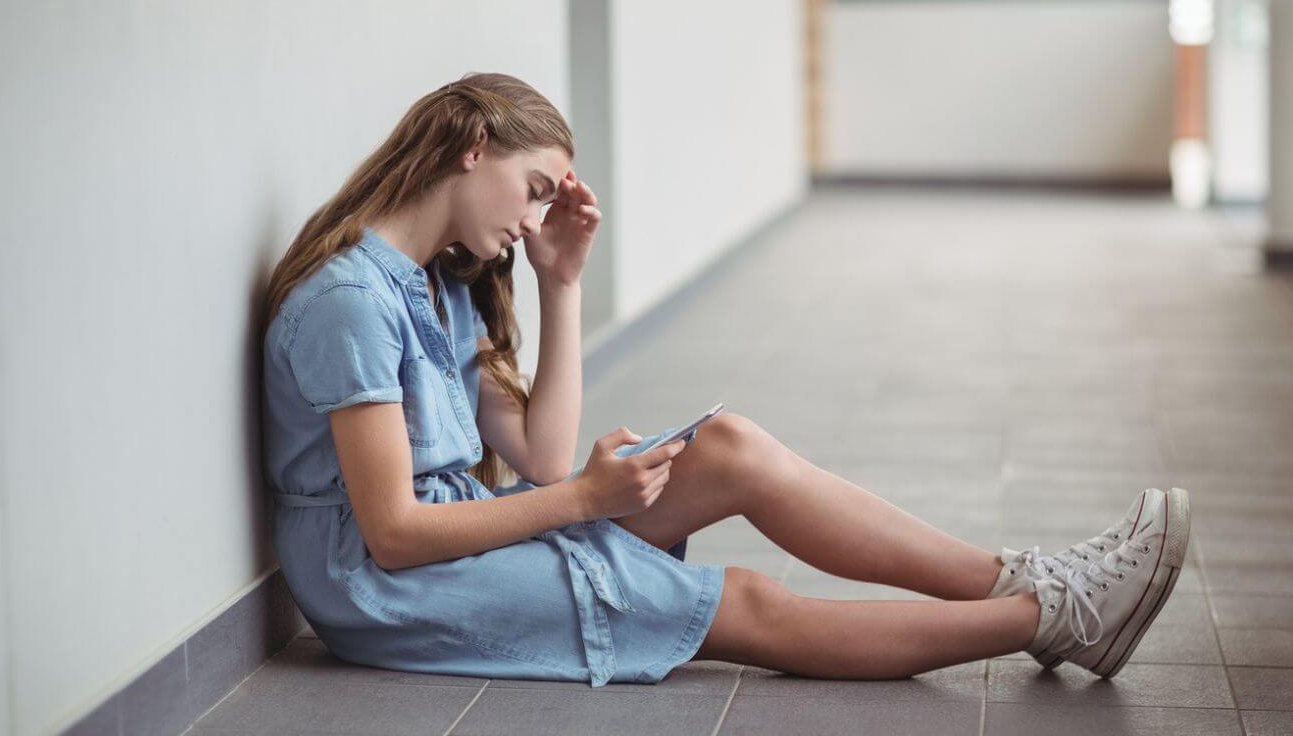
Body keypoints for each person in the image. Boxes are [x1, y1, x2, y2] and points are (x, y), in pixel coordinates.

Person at [258, 71, 1191, 688]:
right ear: (471, 145)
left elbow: (540, 457)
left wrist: (561, 283)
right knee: (743, 604)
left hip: (450, 535)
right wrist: (584, 501)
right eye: (537, 185)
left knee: (731, 446)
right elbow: (394, 535)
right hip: (385, 589)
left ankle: (1017, 574)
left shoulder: (438, 282)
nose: (539, 213)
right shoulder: (350, 302)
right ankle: (1051, 614)